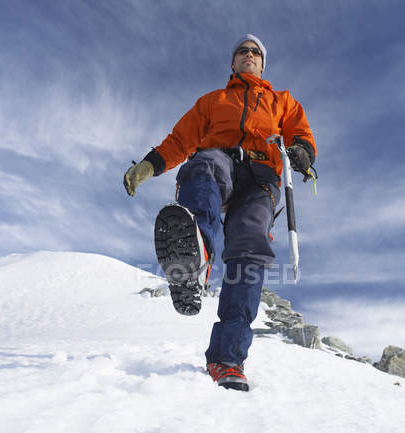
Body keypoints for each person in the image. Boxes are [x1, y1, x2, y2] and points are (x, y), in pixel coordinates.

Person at [123, 34, 316, 391]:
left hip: (261, 175)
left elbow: (300, 134)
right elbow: (180, 140)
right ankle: (194, 263)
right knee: (204, 163)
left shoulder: (282, 102)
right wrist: (149, 165)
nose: (248, 55)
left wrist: (303, 152)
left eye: (255, 52)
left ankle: (227, 360)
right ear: (233, 62)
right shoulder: (214, 101)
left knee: (251, 248)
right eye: (242, 51)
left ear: (262, 63)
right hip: (221, 158)